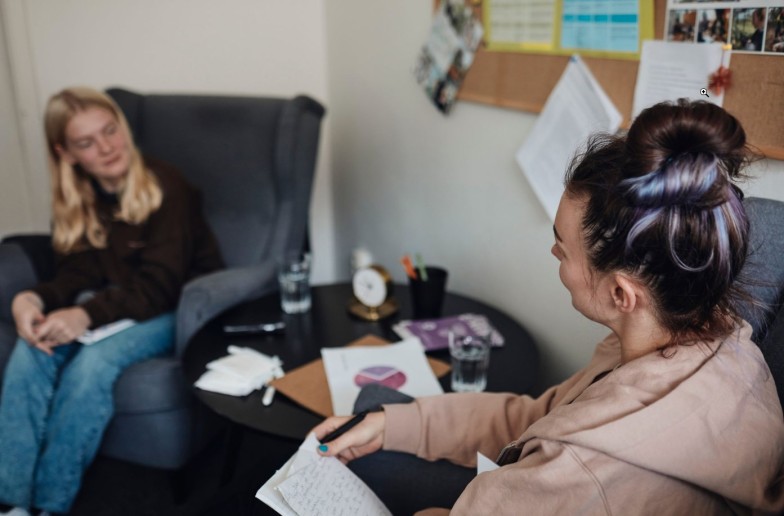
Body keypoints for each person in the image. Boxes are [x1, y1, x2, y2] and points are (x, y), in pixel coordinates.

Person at [312, 100, 784, 514]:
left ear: (621, 294)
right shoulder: (719, 341)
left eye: (563, 248)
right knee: (374, 410)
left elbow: (558, 457)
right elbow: (540, 417)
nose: (553, 252)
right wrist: (394, 424)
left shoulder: (582, 471)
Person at [0, 87, 224, 515]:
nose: (106, 148)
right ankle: (12, 503)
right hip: (116, 305)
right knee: (32, 350)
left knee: (93, 364)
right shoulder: (79, 196)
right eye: (87, 142)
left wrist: (86, 315)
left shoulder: (167, 185)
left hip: (175, 307)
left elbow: (160, 286)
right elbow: (77, 273)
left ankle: (49, 505)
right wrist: (32, 298)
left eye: (110, 131)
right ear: (66, 153)